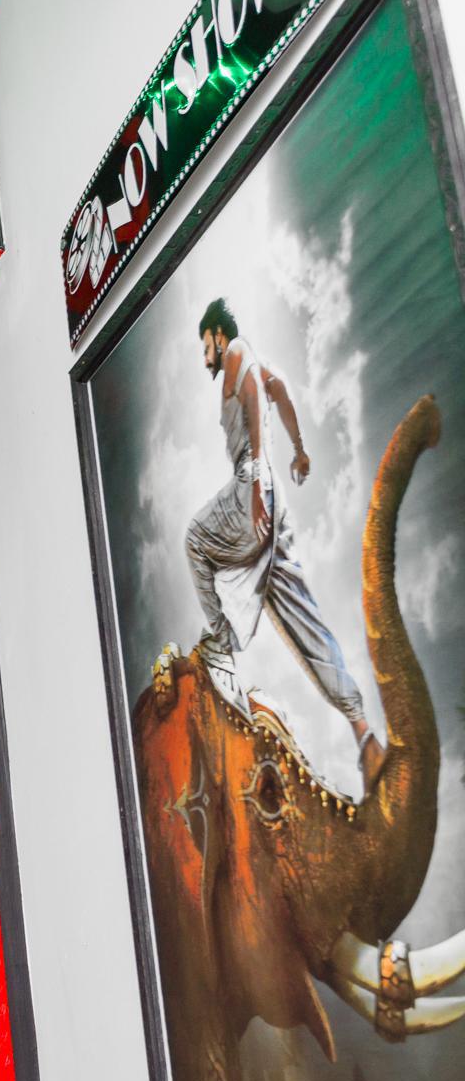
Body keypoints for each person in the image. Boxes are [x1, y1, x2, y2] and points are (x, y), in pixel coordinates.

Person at [186, 298, 385, 788]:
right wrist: (299, 450)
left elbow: (258, 395)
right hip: (272, 499)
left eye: (205, 346)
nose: (205, 357)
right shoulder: (252, 360)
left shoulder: (236, 350)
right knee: (301, 622)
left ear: (217, 334)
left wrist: (256, 481)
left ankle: (223, 643)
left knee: (195, 540)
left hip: (253, 489)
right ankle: (363, 731)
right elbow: (279, 390)